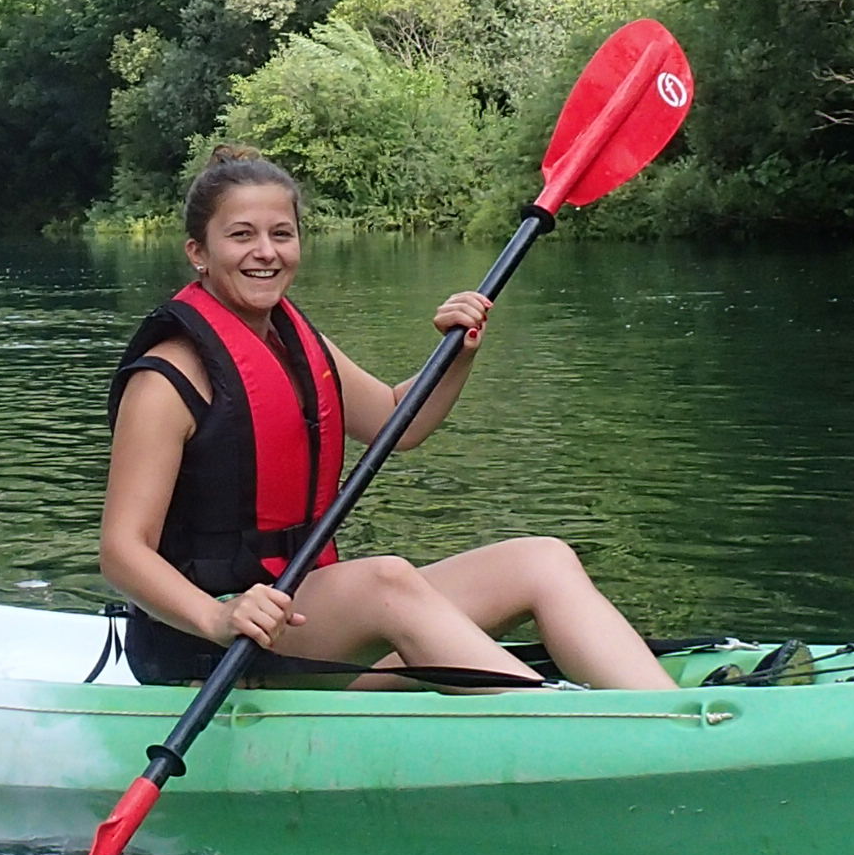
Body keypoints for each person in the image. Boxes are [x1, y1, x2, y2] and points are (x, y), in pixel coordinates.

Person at [100, 147, 675, 691]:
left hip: (300, 625)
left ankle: (667, 716)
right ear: (197, 252)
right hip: (210, 645)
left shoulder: (294, 346)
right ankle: (563, 726)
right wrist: (217, 617)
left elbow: (398, 422)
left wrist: (459, 352)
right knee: (385, 581)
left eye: (282, 234)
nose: (266, 252)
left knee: (542, 560)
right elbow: (122, 551)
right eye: (241, 235)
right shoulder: (164, 380)